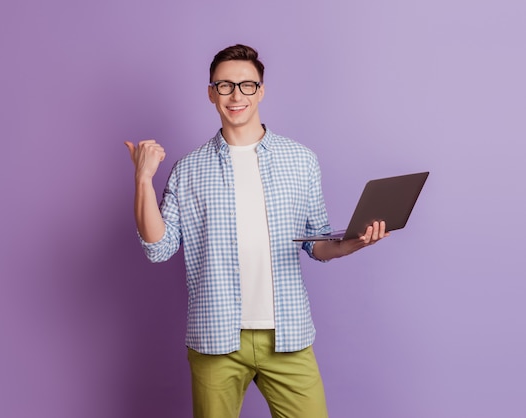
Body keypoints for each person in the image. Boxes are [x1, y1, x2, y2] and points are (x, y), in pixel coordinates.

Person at [124, 44, 388, 418]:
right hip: (215, 337)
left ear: (261, 90)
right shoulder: (188, 170)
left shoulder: (301, 160)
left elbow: (318, 243)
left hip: (288, 335)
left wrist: (357, 242)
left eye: (247, 85)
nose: (236, 95)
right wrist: (143, 178)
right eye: (225, 85)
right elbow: (159, 248)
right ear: (211, 92)